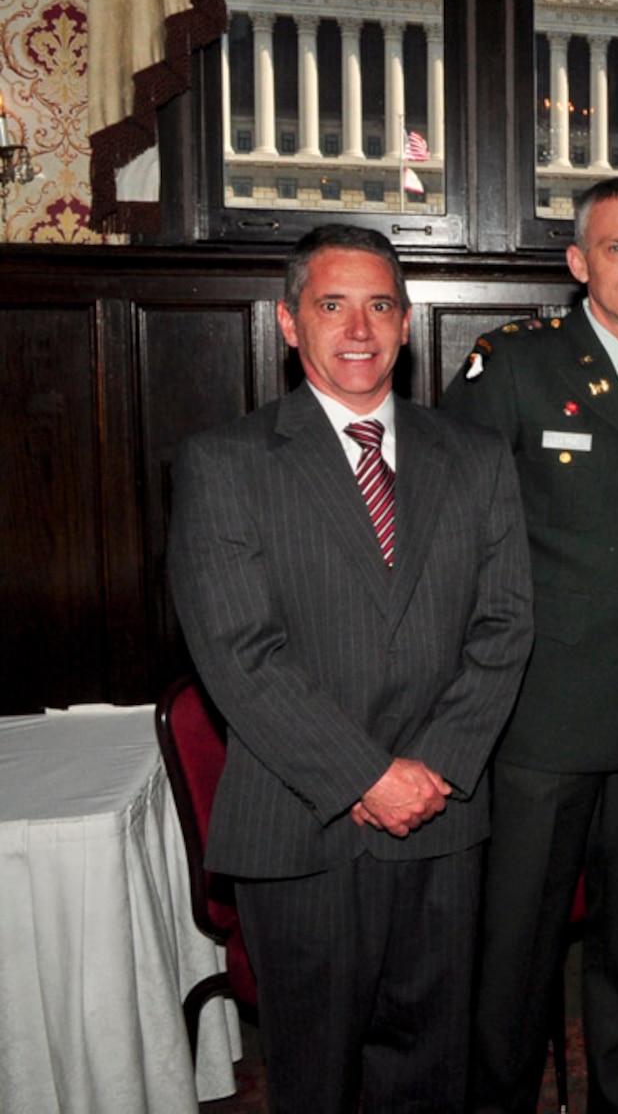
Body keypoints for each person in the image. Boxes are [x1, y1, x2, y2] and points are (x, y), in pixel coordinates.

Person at [168, 225, 532, 1112]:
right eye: (333, 305)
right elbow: (240, 654)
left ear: (406, 326)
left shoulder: (475, 459)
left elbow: (506, 623)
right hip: (305, 825)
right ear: (291, 323)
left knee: (430, 1066)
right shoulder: (225, 465)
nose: (359, 329)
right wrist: (367, 776)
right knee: (319, 1076)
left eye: (380, 306)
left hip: (443, 820)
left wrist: (433, 770)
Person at [444, 177, 618, 1113]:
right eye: (616, 248)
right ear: (577, 263)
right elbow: (452, 531)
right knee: (517, 942)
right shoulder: (515, 366)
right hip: (539, 711)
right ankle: (501, 1099)